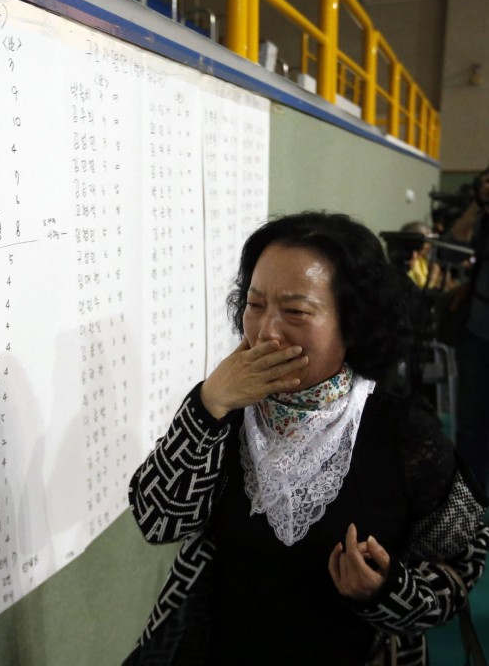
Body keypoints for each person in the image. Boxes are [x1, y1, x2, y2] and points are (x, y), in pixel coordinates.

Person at [124, 211, 489, 666]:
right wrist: (207, 404)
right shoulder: (227, 409)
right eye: (255, 305)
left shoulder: (403, 431)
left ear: (352, 324)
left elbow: (460, 564)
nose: (266, 332)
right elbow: (158, 521)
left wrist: (387, 590)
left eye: (295, 311)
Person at [445, 166, 489, 495]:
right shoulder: (483, 218)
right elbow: (450, 247)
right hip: (477, 334)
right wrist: (477, 202)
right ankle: (471, 501)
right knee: (471, 426)